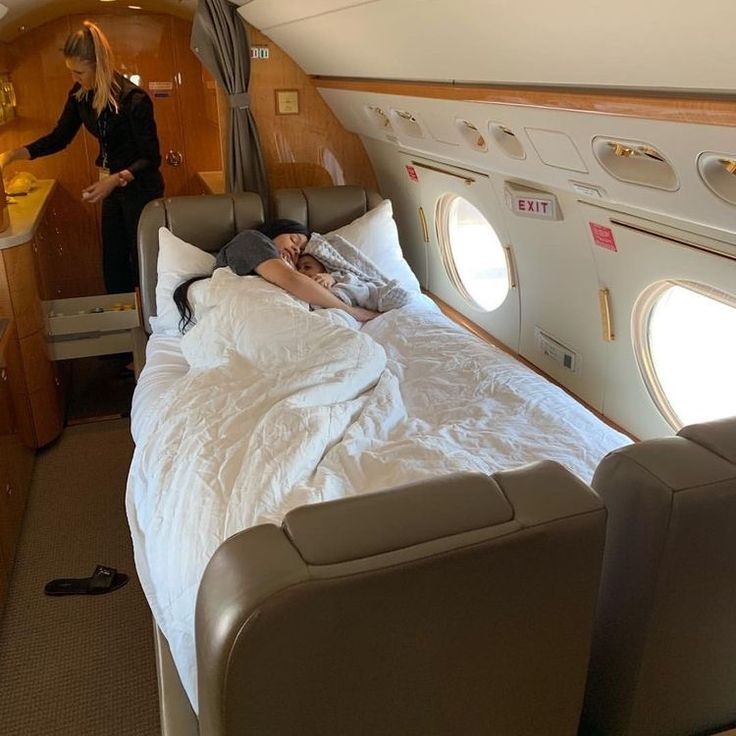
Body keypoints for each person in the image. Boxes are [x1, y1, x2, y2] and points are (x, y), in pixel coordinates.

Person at [0, 20, 164, 294]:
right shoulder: (80, 96)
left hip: (140, 188)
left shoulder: (133, 99)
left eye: (79, 71)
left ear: (98, 64)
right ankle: (121, 319)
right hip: (110, 188)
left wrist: (116, 179)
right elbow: (59, 137)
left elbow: (151, 158)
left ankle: (153, 322)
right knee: (113, 260)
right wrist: (13, 155)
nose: (74, 78)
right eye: (71, 71)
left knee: (143, 259)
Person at [173, 219, 379, 331]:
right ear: (275, 232)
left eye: (301, 252)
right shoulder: (250, 240)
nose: (297, 250)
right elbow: (291, 281)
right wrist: (350, 311)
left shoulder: (288, 267)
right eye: (294, 239)